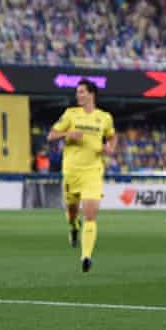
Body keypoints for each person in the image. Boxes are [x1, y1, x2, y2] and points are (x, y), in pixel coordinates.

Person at [47, 79, 115, 272]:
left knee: (91, 214)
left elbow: (111, 136)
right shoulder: (70, 114)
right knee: (72, 211)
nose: (78, 95)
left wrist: (109, 148)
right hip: (72, 171)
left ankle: (86, 256)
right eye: (78, 92)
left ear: (91, 94)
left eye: (82, 92)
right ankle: (73, 227)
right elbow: (51, 135)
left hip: (93, 170)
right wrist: (67, 134)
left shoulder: (104, 117)